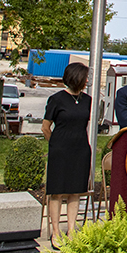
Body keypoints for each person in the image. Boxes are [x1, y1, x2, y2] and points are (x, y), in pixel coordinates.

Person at [43, 62, 92, 243]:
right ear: (77, 78)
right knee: (57, 191)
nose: (87, 80)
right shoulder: (57, 99)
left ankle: (71, 230)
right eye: (85, 77)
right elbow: (45, 127)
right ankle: (55, 232)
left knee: (75, 191)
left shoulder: (87, 100)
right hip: (60, 151)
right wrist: (55, 144)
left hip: (80, 150)